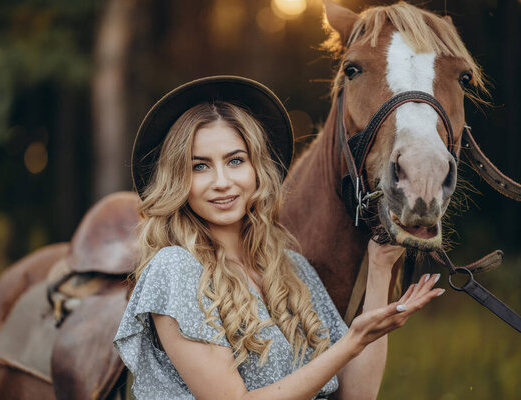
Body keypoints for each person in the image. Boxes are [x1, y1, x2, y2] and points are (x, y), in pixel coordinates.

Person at [114, 76, 444, 399]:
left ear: (257, 168)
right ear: (178, 180)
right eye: (200, 166)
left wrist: (379, 269)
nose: (222, 182)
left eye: (235, 161)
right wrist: (352, 341)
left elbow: (357, 395)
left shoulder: (292, 269)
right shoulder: (175, 269)